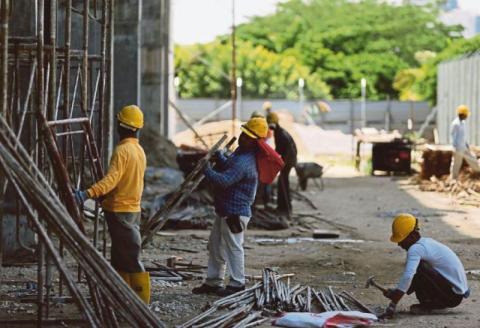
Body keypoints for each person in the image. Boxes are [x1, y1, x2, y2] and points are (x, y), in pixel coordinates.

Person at [73, 105, 150, 304]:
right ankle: (122, 300)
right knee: (120, 258)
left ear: (121, 127)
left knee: (130, 259)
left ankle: (142, 306)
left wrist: (87, 194)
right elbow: (129, 181)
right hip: (132, 209)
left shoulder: (122, 150)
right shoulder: (139, 150)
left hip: (120, 211)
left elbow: (112, 180)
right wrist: (104, 197)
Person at [192, 117, 268, 296]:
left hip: (235, 212)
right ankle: (213, 281)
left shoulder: (245, 162)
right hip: (225, 210)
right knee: (216, 245)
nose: (242, 138)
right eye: (243, 133)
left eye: (248, 137)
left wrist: (206, 169)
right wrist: (220, 156)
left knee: (234, 247)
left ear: (255, 142)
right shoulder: (241, 155)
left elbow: (224, 180)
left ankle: (237, 284)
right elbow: (229, 167)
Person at [380, 213, 469, 318]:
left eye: (401, 240)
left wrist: (394, 302)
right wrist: (397, 291)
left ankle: (432, 305)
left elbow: (408, 276)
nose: (399, 244)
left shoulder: (416, 249)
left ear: (413, 236)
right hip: (454, 294)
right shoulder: (426, 243)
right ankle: (433, 304)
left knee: (419, 267)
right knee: (417, 269)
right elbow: (412, 278)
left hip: (452, 296)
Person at [266, 112, 297, 214]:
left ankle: (286, 209)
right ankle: (284, 207)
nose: (270, 126)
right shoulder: (279, 132)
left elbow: (285, 151)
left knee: (282, 183)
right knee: (283, 183)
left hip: (288, 161)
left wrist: (280, 163)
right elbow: (279, 150)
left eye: (271, 123)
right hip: (288, 160)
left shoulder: (281, 135)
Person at [450, 104, 480, 179]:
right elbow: (453, 136)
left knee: (473, 159)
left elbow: (462, 136)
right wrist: (455, 147)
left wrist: (466, 144)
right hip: (458, 148)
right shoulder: (455, 124)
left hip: (464, 146)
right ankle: (453, 179)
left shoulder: (462, 123)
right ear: (462, 114)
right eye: (466, 115)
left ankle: (478, 171)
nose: (467, 116)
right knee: (456, 164)